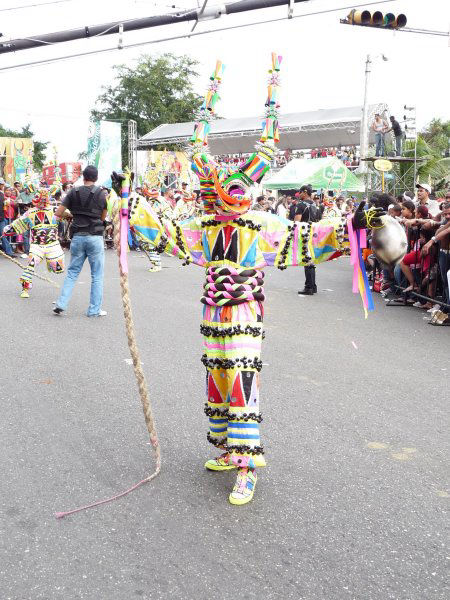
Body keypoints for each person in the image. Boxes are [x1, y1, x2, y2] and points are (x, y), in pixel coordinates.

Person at [112, 58, 386, 507]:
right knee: (217, 378)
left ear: (250, 192)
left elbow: (309, 238)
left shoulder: (261, 225)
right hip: (211, 312)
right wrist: (126, 203)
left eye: (237, 190)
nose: (228, 197)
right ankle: (225, 448)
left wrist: (353, 224)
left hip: (243, 311)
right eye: (219, 191)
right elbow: (162, 234)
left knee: (240, 379)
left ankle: (247, 465)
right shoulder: (204, 226)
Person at [53, 165, 108, 317]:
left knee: (72, 272)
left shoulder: (73, 192)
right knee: (96, 275)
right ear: (96, 178)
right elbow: (103, 218)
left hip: (77, 236)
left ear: (83, 177)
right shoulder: (101, 194)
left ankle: (61, 304)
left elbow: (58, 212)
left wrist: (71, 215)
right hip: (95, 236)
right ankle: (93, 310)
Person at [1, 186, 65, 298]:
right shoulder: (30, 213)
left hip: (52, 244)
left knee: (58, 268)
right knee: (30, 266)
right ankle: (25, 289)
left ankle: (50, 263)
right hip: (37, 245)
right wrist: (6, 231)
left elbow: (70, 213)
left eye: (44, 199)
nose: (42, 202)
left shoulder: (54, 210)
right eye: (40, 199)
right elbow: (17, 225)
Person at [294, 185, 319, 295]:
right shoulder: (315, 204)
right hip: (313, 232)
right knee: (311, 260)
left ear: (305, 192)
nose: (299, 194)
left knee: (306, 260)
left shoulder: (301, 205)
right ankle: (313, 286)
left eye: (300, 192)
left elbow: (297, 222)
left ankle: (308, 287)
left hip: (304, 233)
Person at [0, 178, 14, 257]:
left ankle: (9, 252)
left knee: (3, 235)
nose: (3, 186)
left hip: (1, 219)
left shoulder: (2, 194)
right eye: (2, 184)